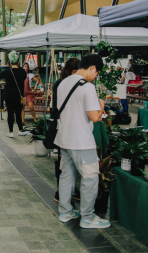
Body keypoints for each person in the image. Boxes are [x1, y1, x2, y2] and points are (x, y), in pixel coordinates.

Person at [55, 54, 110, 229]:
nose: (96, 76)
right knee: (90, 178)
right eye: (97, 72)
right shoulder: (87, 87)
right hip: (82, 141)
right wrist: (101, 106)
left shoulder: (63, 83)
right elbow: (94, 117)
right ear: (92, 67)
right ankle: (87, 217)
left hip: (64, 139)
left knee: (67, 176)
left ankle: (65, 212)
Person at [50, 58, 80, 203]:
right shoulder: (59, 84)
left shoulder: (80, 84)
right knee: (63, 162)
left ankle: (72, 190)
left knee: (70, 162)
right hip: (63, 127)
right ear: (67, 71)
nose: (76, 75)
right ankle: (60, 192)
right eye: (74, 71)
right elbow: (58, 107)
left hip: (74, 128)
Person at [0, 51, 31, 138]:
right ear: (18, 61)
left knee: (10, 113)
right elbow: (24, 79)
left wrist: (1, 82)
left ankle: (10, 132)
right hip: (19, 95)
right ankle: (20, 130)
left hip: (8, 95)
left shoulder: (7, 71)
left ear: (10, 63)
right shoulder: (22, 72)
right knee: (18, 113)